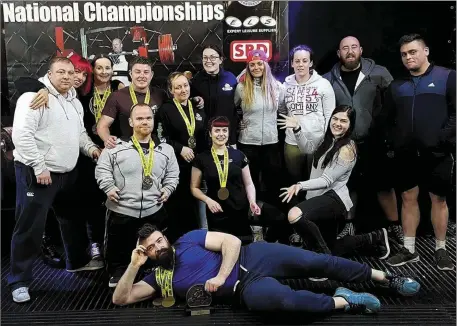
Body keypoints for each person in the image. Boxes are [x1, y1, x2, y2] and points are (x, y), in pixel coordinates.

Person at [112, 225, 420, 316]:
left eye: (158, 240)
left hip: (253, 257)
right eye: (150, 248)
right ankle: (345, 300)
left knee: (317, 262)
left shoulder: (189, 238)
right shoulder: (158, 277)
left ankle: (384, 278)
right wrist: (133, 265)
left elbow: (231, 241)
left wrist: (219, 276)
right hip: (244, 290)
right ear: (147, 253)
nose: (158, 247)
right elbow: (121, 299)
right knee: (282, 303)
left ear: (165, 237)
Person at [9, 56, 103, 303]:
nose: (66, 76)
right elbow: (22, 136)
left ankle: (76, 263)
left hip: (66, 174)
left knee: (71, 221)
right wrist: (39, 167)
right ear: (49, 75)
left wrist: (92, 149)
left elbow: (80, 133)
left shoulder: (73, 102)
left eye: (70, 73)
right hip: (37, 173)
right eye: (60, 72)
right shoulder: (33, 97)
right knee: (29, 227)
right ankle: (19, 281)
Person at [382, 34, 455, 270]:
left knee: (439, 200)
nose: (408, 57)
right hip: (406, 155)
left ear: (426, 51)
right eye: (404, 54)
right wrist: (394, 143)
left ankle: (441, 249)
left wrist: (442, 139)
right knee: (408, 198)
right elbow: (388, 119)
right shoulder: (397, 85)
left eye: (413, 52)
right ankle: (409, 249)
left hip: (438, 153)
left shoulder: (447, 77)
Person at [280, 105, 390, 262]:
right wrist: (297, 129)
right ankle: (375, 237)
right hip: (317, 198)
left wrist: (299, 185)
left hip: (334, 200)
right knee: (331, 247)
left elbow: (326, 181)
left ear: (350, 124)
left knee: (296, 215)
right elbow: (307, 148)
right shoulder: (326, 139)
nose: (338, 123)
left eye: (343, 121)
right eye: (335, 119)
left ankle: (323, 263)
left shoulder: (347, 149)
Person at [323, 36, 401, 243]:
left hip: (374, 141)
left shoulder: (379, 73)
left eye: (354, 47)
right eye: (345, 48)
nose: (350, 51)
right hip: (345, 144)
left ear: (361, 50)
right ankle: (349, 226)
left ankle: (395, 227)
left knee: (384, 186)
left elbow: (395, 104)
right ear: (339, 53)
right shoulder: (328, 79)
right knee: (347, 185)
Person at [95, 102, 180, 287]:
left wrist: (168, 189)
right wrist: (108, 187)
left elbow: (173, 174)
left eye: (148, 118)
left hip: (153, 209)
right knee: (117, 248)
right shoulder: (115, 146)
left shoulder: (166, 149)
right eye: (139, 118)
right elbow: (102, 169)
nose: (145, 122)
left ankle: (151, 272)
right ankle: (117, 273)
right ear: (131, 122)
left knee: (153, 247)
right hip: (121, 209)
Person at [190, 116, 290, 243]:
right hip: (217, 212)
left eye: (224, 130)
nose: (221, 134)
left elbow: (248, 184)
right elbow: (194, 188)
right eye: (217, 130)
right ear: (210, 133)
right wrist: (208, 200)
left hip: (241, 209)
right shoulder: (201, 158)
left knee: (278, 218)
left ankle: (266, 241)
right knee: (225, 248)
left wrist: (252, 201)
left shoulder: (239, 155)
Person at [155, 72, 206, 238]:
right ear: (171, 90)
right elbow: (160, 137)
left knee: (196, 204)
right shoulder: (166, 109)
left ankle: (197, 239)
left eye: (185, 85)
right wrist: (180, 148)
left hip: (197, 165)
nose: (183, 90)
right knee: (179, 205)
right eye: (178, 87)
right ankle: (178, 241)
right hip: (176, 165)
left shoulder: (197, 106)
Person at [235, 49, 285, 206]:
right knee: (251, 183)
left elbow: (282, 110)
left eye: (259, 63)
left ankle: (271, 220)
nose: (256, 67)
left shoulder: (277, 87)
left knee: (272, 184)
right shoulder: (241, 88)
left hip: (271, 143)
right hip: (248, 143)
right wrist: (238, 122)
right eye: (252, 64)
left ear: (266, 64)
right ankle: (253, 220)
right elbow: (233, 109)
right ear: (247, 67)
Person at [280, 45, 335, 184]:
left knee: (314, 182)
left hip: (317, 141)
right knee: (294, 181)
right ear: (292, 63)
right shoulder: (285, 86)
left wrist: (327, 141)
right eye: (297, 61)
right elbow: (281, 110)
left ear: (310, 63)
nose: (300, 64)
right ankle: (296, 205)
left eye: (304, 61)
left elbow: (330, 115)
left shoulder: (323, 84)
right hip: (292, 143)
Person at [97, 57, 165, 149]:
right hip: (126, 150)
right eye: (137, 72)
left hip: (154, 149)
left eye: (146, 72)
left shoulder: (160, 95)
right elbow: (102, 125)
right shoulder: (117, 96)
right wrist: (107, 139)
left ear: (151, 75)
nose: (142, 76)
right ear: (130, 74)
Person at [191, 45, 238, 147]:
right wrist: (194, 100)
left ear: (221, 60)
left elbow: (238, 104)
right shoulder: (196, 80)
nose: (208, 61)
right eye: (205, 57)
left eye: (212, 57)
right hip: (204, 138)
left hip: (228, 136)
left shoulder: (231, 78)